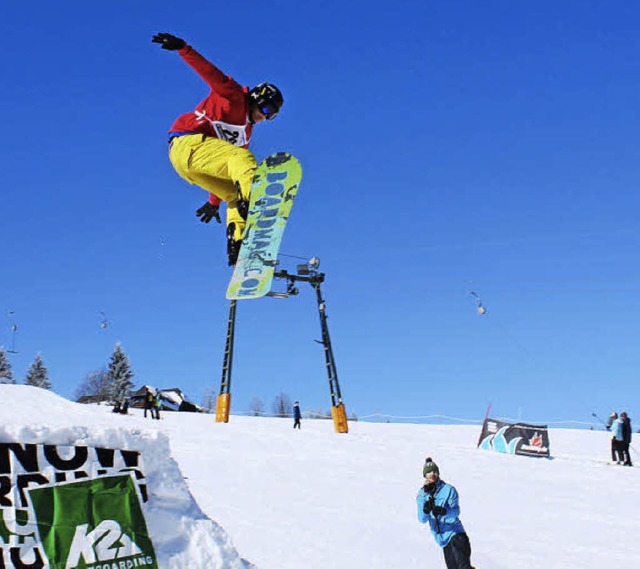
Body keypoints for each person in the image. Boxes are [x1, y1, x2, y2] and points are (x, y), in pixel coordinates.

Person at [152, 32, 284, 265]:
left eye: (271, 116)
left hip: (191, 167)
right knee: (243, 160)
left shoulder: (245, 133)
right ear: (256, 100)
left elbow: (227, 167)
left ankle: (238, 243)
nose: (266, 118)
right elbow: (210, 73)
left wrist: (214, 203)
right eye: (266, 111)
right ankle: (253, 200)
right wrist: (184, 48)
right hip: (187, 141)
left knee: (233, 192)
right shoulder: (233, 96)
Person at [417, 458, 475, 569]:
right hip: (443, 540)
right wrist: (426, 510)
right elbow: (422, 519)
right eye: (429, 472)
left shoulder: (449, 490)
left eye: (434, 471)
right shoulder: (422, 495)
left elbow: (456, 511)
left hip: (456, 534)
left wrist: (444, 511)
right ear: (425, 475)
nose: (432, 474)